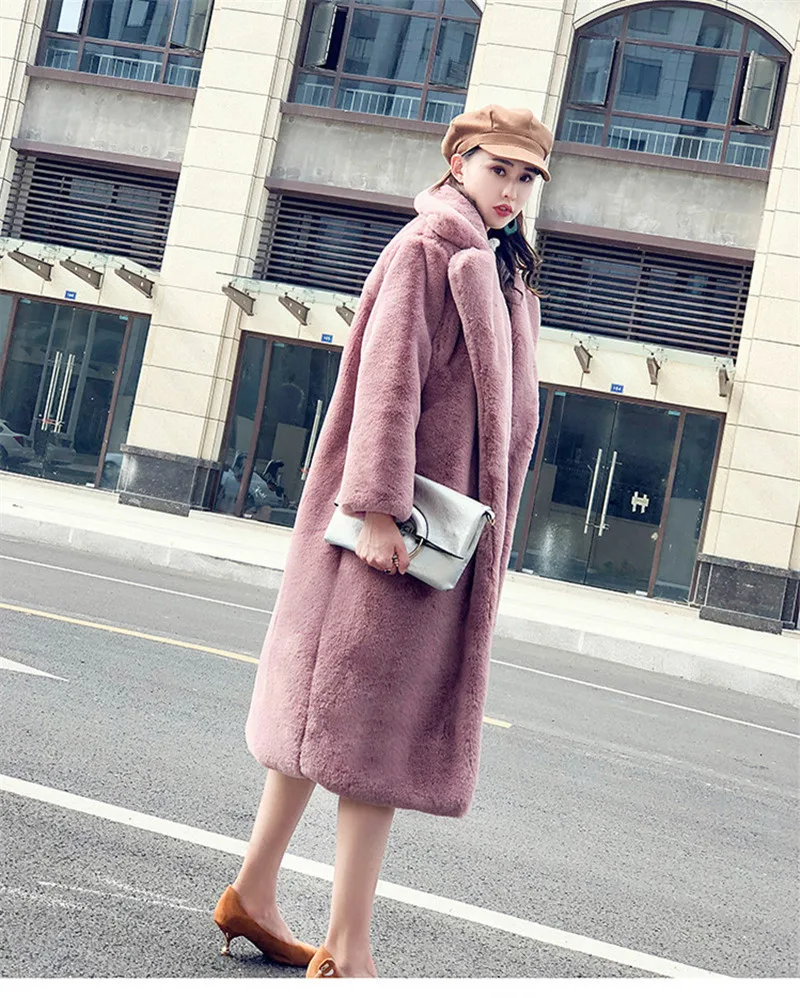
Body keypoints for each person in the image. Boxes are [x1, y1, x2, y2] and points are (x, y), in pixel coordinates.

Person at [213, 105, 553, 978]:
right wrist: (375, 510)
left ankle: (253, 891)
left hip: (439, 538)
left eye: (526, 176)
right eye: (498, 168)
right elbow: (387, 384)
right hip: (396, 532)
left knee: (329, 719)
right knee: (371, 739)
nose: (512, 189)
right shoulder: (428, 250)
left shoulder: (503, 269)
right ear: (458, 160)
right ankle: (349, 947)